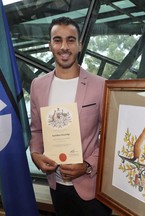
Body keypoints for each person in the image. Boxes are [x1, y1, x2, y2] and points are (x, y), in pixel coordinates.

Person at [29, 16, 111, 216]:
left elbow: (110, 138)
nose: (64, 46)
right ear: (50, 45)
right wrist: (36, 155)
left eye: (70, 40)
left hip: (91, 190)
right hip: (56, 187)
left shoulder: (100, 85)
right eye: (57, 40)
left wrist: (87, 166)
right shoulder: (37, 86)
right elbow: (37, 130)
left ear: (79, 45)